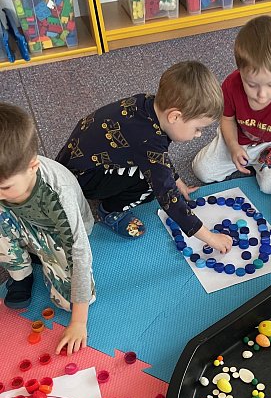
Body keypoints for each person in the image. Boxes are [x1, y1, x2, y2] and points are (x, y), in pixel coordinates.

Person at [57, 61, 232, 254]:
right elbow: (167, 195)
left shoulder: (147, 103)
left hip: (74, 162)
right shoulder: (148, 140)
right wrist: (210, 237)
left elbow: (157, 155)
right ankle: (110, 210)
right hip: (83, 180)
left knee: (153, 169)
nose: (198, 135)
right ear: (174, 117)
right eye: (198, 128)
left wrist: (177, 179)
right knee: (150, 184)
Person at [192, 15, 271, 232]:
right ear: (240, 70)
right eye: (252, 85)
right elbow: (227, 119)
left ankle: (263, 163)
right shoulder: (231, 84)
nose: (262, 95)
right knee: (202, 170)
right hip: (239, 138)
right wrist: (233, 146)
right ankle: (248, 160)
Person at [0, 103, 95, 355]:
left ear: (32, 166)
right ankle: (21, 274)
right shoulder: (9, 180)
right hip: (24, 221)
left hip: (57, 234)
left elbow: (79, 252)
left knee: (67, 302)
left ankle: (37, 255)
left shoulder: (58, 196)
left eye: (5, 187)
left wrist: (79, 322)